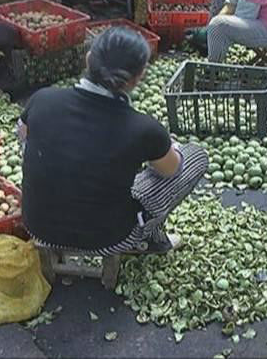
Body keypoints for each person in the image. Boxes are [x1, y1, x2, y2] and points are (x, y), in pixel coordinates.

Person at [18, 27, 209, 258]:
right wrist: (169, 147)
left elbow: (24, 140)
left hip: (38, 226)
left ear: (88, 60)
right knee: (196, 156)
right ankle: (149, 237)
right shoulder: (143, 129)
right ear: (138, 77)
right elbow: (172, 171)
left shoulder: (42, 99)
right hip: (108, 238)